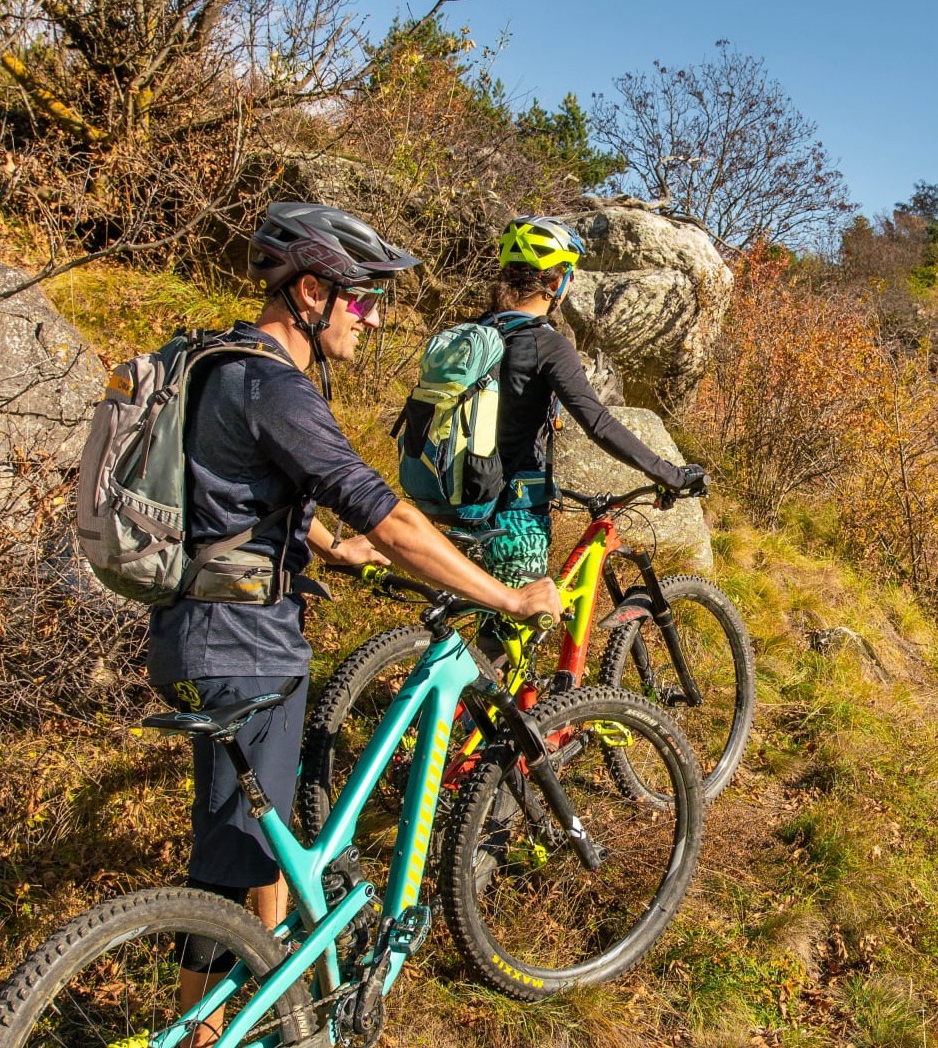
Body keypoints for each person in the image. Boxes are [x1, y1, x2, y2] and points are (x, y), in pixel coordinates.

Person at [153, 202, 561, 1042]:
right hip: (250, 644)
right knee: (234, 862)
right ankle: (204, 1033)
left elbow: (227, 490)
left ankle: (278, 1012)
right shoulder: (277, 385)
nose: (374, 319)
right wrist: (509, 597)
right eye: (364, 298)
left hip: (193, 628)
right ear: (311, 290)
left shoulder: (215, 362)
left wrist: (327, 549)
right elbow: (393, 518)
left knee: (245, 850)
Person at [472, 216, 705, 588]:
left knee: (477, 625)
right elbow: (597, 422)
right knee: (511, 635)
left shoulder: (478, 332)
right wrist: (670, 475)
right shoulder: (545, 343)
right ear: (556, 280)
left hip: (457, 504)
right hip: (513, 514)